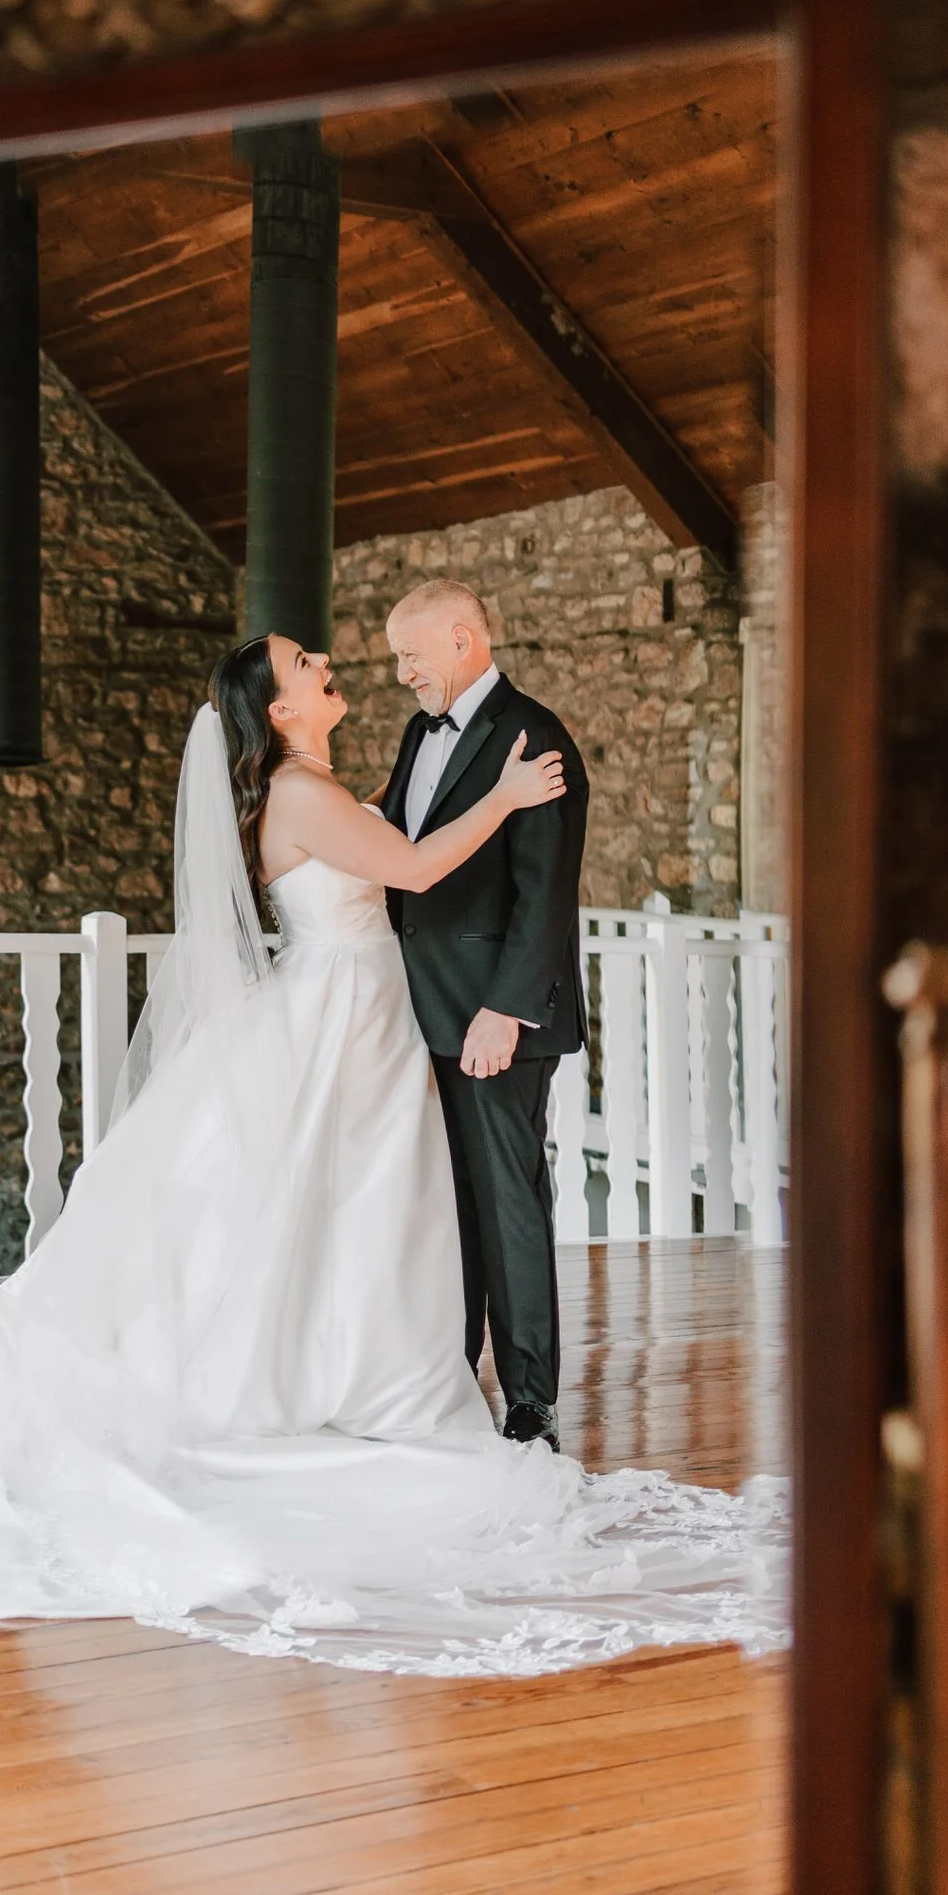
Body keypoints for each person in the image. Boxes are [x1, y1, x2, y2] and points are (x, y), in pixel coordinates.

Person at [0, 634, 784, 1677]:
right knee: (343, 1207)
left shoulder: (316, 786)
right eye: (308, 662)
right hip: (344, 1021)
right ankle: (332, 1383)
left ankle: (354, 1367)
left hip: (356, 1014)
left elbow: (388, 830)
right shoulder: (303, 796)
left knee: (349, 1214)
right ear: (283, 706)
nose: (330, 661)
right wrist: (510, 793)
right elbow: (417, 864)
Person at [379, 581, 588, 1450]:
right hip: (420, 1013)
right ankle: (455, 1375)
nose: (402, 675)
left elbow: (546, 894)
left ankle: (531, 1396)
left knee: (509, 1203)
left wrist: (505, 1011)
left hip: (492, 1018)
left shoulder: (534, 737)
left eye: (410, 655)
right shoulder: (414, 733)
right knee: (449, 1205)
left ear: (461, 639)